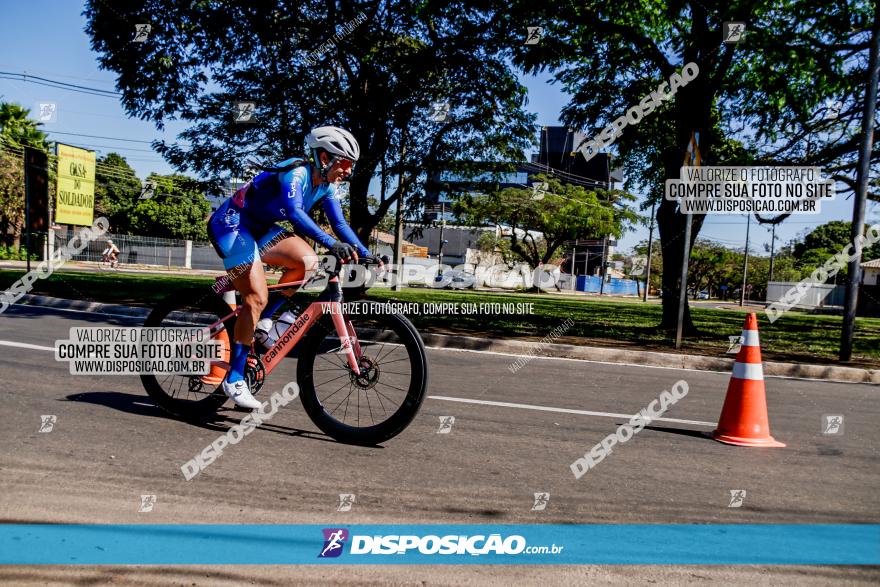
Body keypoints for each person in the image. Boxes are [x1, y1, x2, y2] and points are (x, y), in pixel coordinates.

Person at [207, 126, 379, 409]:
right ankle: (235, 377)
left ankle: (264, 320)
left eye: (351, 166)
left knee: (308, 264)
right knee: (255, 298)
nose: (348, 172)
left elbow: (339, 224)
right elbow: (295, 212)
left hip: (260, 228)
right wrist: (331, 244)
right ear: (324, 158)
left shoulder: (327, 185)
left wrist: (365, 253)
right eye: (345, 163)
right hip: (232, 224)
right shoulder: (296, 172)